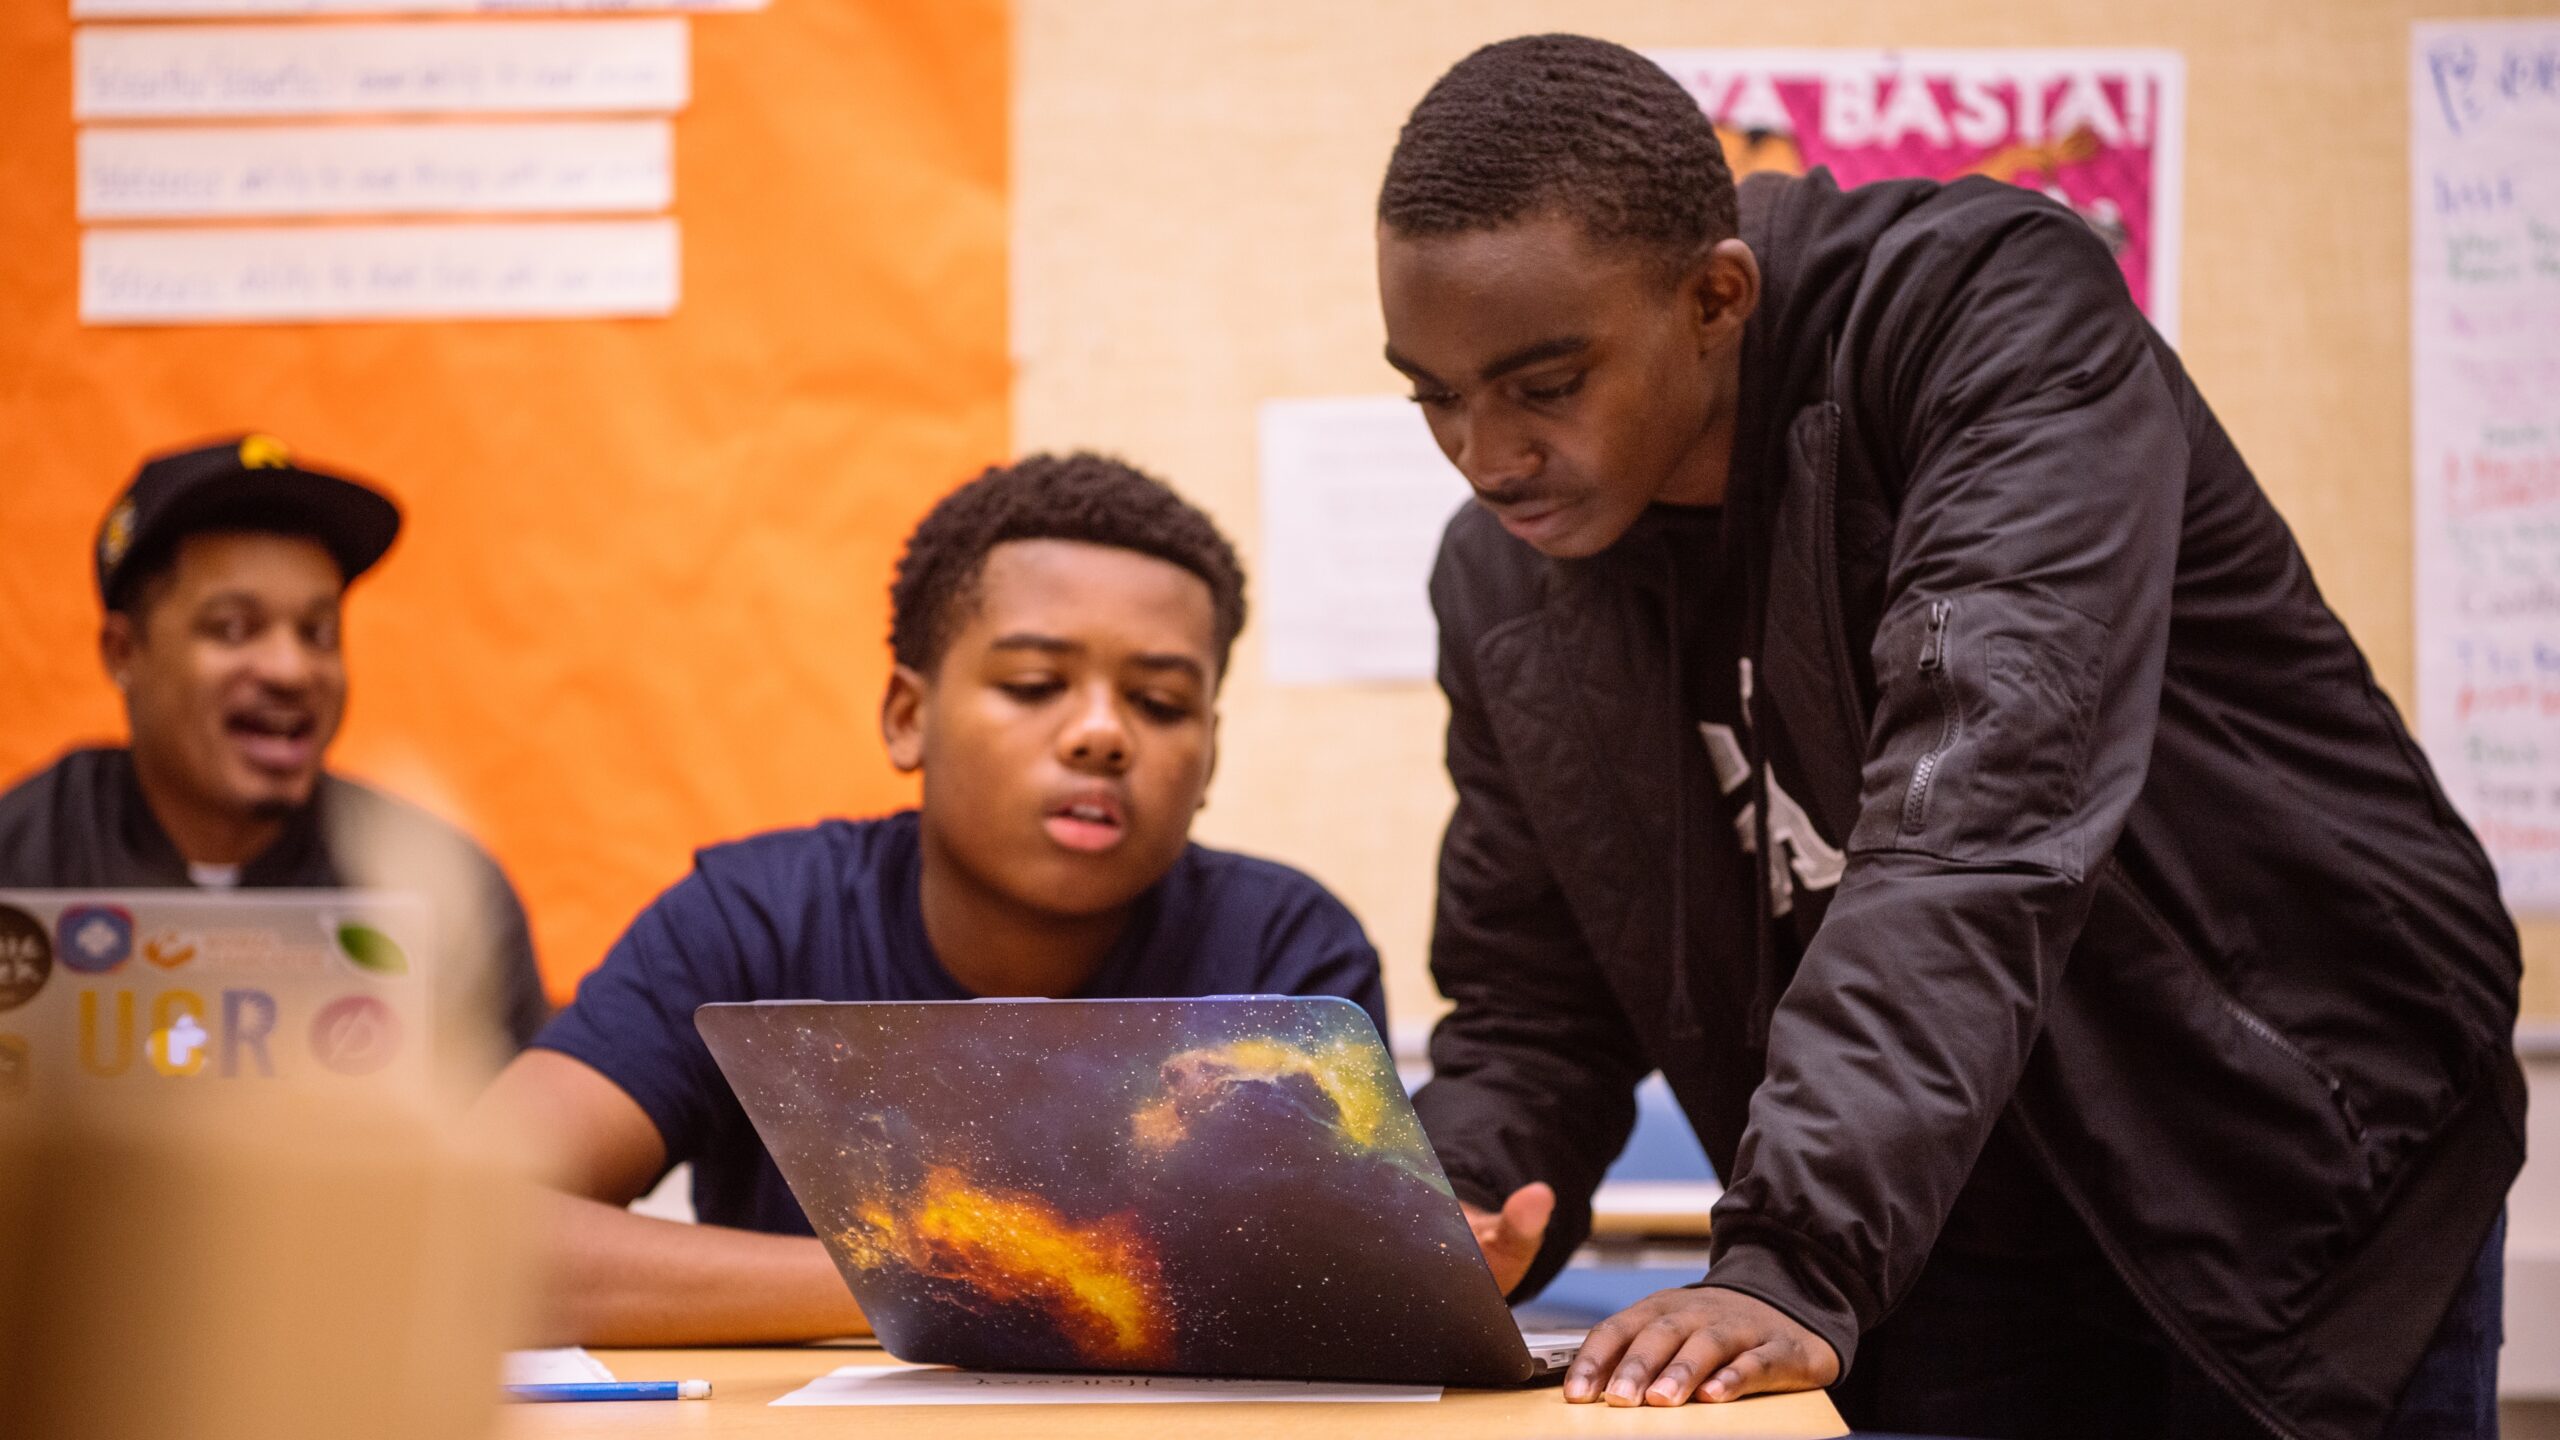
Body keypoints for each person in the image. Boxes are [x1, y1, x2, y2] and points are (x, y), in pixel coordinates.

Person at [1376, 35, 2520, 1440]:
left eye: (1543, 383)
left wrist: (1792, 1250)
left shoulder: (1986, 317)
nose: (1486, 453)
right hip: (1941, 1222)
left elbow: (1977, 813)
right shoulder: (1499, 583)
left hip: (2296, 1159)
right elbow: (1534, 1000)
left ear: (1715, 297)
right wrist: (1454, 1212)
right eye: (1433, 394)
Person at [476, 453, 1387, 1346]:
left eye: (1157, 702)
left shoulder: (1287, 955)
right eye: (1035, 686)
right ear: (909, 717)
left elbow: (1333, 1288)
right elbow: (460, 1234)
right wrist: (953, 1276)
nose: (1103, 734)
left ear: (1210, 758)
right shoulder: (755, 920)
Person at [0, 434, 550, 1057]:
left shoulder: (438, 891)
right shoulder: (20, 863)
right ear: (124, 653)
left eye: (318, 632)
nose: (290, 670)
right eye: (234, 629)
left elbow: (518, 1144)